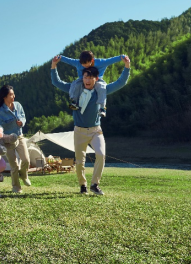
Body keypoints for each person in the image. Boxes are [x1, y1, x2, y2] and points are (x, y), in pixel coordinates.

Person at [51, 54, 131, 195]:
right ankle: (83, 185)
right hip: (79, 131)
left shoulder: (102, 90)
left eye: (90, 78)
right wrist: (53, 66)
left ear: (96, 79)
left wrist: (127, 67)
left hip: (95, 130)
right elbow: (57, 82)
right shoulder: (75, 88)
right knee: (80, 161)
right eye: (85, 77)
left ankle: (95, 184)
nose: (87, 80)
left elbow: (120, 82)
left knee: (101, 154)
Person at [59, 51, 125, 117]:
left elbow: (111, 60)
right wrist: (59, 57)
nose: (85, 66)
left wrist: (122, 57)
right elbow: (68, 60)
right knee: (75, 84)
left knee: (102, 87)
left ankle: (102, 108)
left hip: (97, 80)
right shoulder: (78, 63)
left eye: (86, 64)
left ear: (92, 60)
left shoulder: (101, 62)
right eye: (83, 64)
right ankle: (74, 101)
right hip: (82, 79)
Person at [0, 85, 30, 193]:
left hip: (19, 136)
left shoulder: (18, 105)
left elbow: (23, 116)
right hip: (7, 140)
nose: (13, 96)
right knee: (14, 165)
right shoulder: (0, 112)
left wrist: (21, 122)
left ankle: (24, 175)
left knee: (26, 160)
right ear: (4, 96)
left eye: (13, 94)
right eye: (11, 94)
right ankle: (16, 187)